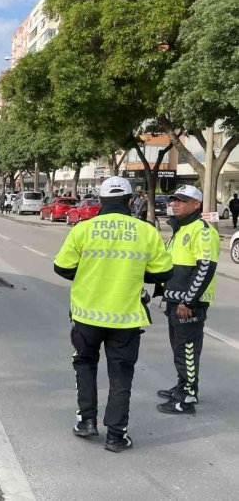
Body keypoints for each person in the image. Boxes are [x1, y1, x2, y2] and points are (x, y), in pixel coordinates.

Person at [53, 177, 172, 453]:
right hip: (125, 318)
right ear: (131, 201)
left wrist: (85, 273)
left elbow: (61, 267)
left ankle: (86, 421)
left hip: (86, 315)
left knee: (85, 366)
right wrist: (137, 273)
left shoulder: (83, 229)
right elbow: (164, 272)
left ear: (101, 202)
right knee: (121, 376)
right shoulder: (146, 231)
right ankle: (117, 435)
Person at [156, 185, 219, 415]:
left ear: (196, 205)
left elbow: (205, 269)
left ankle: (187, 397)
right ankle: (183, 385)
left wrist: (189, 301)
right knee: (179, 349)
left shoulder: (202, 230)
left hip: (189, 305)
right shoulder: (181, 229)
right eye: (174, 200)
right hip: (175, 301)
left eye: (182, 200)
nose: (175, 204)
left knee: (188, 350)